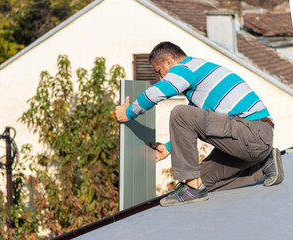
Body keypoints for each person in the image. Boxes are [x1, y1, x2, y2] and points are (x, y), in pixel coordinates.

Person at [115, 41, 284, 207]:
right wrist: (167, 148)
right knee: (205, 182)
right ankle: (263, 166)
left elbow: (155, 93)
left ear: (168, 62)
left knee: (179, 113)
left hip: (253, 133)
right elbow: (195, 125)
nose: (160, 78)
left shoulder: (187, 68)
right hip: (250, 143)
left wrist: (129, 112)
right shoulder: (199, 88)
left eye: (160, 71)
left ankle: (192, 189)